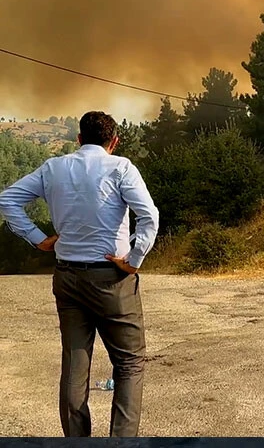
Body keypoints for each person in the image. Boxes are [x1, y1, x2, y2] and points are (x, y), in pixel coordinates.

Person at [0, 111, 159, 437]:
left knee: (75, 365)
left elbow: (8, 199)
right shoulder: (121, 167)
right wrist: (134, 259)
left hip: (68, 277)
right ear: (113, 141)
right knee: (129, 364)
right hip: (112, 279)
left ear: (78, 139)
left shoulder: (53, 168)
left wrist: (38, 239)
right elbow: (149, 216)